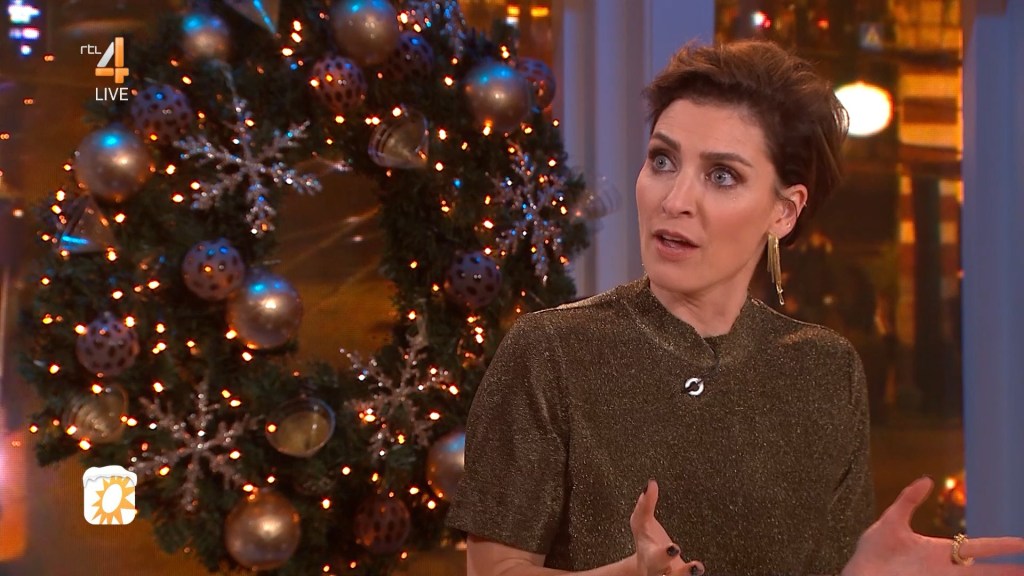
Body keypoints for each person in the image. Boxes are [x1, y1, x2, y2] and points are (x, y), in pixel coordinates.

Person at [445, 40, 1024, 576]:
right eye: (662, 160)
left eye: (721, 175)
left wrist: (860, 572)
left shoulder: (826, 370)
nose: (675, 199)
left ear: (784, 212)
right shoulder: (550, 352)